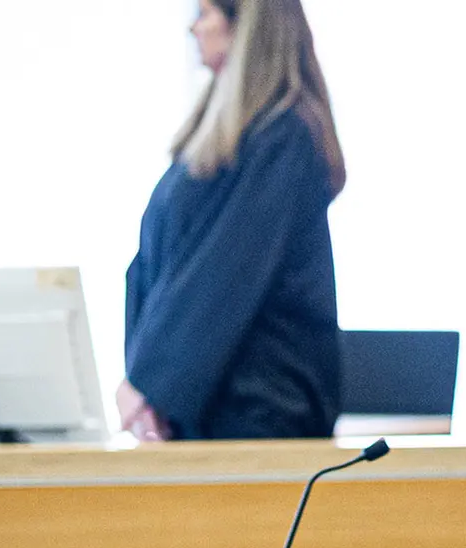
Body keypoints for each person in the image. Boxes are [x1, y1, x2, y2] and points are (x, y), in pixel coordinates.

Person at [119, 0, 345, 441]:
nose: (193, 29)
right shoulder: (217, 139)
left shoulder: (285, 135)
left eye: (205, 14)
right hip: (207, 405)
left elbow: (224, 269)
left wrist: (151, 385)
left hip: (260, 410)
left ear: (246, 26)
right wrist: (143, 381)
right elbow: (160, 263)